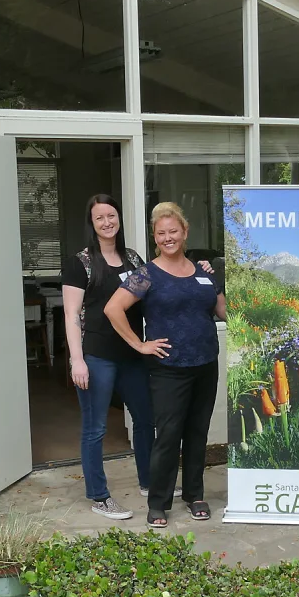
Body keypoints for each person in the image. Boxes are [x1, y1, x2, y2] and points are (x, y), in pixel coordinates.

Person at [104, 201, 225, 528]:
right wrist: (139, 344)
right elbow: (113, 309)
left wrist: (222, 281)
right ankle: (158, 502)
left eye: (174, 231)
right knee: (169, 435)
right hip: (169, 368)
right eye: (161, 234)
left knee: (198, 432)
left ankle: (195, 495)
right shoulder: (146, 274)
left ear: (185, 232)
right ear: (155, 238)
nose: (168, 238)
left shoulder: (202, 272)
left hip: (205, 363)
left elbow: (225, 312)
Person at [62, 194, 153, 521]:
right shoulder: (81, 263)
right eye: (99, 217)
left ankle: (149, 482)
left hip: (132, 354)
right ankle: (99, 496)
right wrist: (77, 359)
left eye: (111, 215)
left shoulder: (133, 259)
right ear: (92, 223)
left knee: (145, 419)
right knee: (95, 428)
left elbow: (157, 290)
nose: (106, 222)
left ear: (119, 219)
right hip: (97, 356)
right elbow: (72, 314)